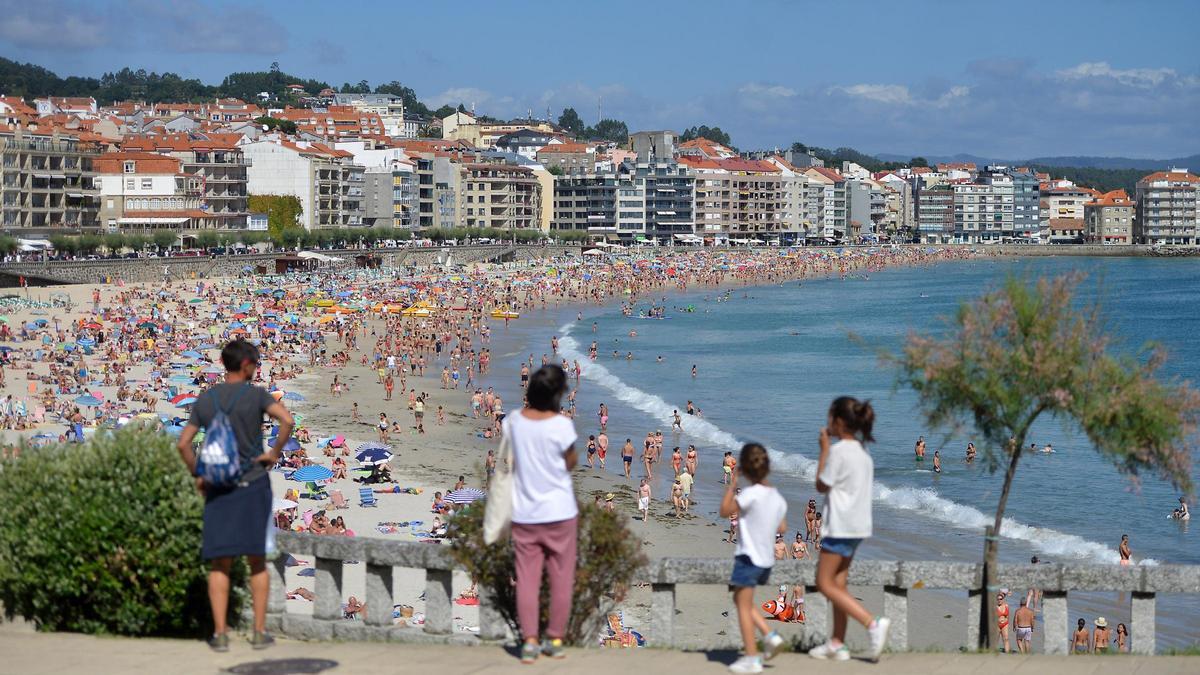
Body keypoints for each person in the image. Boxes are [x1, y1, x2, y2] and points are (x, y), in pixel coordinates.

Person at [177, 340, 294, 652]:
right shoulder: (256, 395)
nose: (256, 369)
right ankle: (257, 632)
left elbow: (183, 444)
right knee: (257, 562)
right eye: (255, 364)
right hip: (253, 484)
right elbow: (287, 420)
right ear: (245, 365)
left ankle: (220, 633)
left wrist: (199, 476)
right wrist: (274, 452)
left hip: (218, 487)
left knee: (220, 563)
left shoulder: (207, 398)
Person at [810, 397, 889, 662]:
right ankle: (837, 643)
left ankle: (871, 622)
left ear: (840, 421)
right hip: (858, 527)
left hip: (840, 526)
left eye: (830, 417)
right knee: (839, 583)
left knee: (823, 582)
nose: (827, 422)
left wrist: (824, 449)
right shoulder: (864, 454)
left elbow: (821, 485)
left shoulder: (839, 451)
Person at [508, 365, 578, 664]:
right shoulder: (562, 425)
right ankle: (555, 638)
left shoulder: (513, 421)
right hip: (560, 511)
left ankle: (530, 641)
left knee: (527, 579)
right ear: (559, 394)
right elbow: (571, 462)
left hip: (525, 512)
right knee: (561, 578)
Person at [720, 442, 787, 674]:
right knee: (741, 601)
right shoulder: (777, 497)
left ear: (745, 470)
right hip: (766, 561)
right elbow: (783, 526)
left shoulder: (749, 494)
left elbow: (725, 510)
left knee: (741, 606)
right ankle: (770, 636)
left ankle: (752, 657)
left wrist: (733, 485)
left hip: (748, 558)